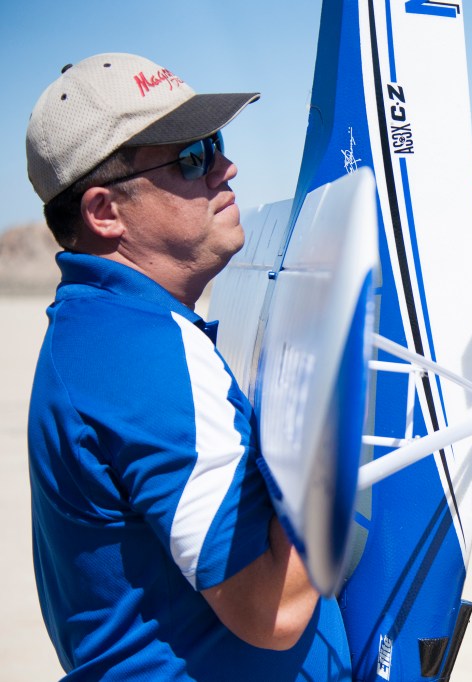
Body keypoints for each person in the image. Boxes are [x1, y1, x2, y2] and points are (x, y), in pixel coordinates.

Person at [25, 53, 350, 679]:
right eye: (193, 157)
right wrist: (337, 438)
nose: (227, 167)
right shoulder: (143, 356)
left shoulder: (97, 329)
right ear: (103, 212)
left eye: (216, 144)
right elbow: (270, 611)